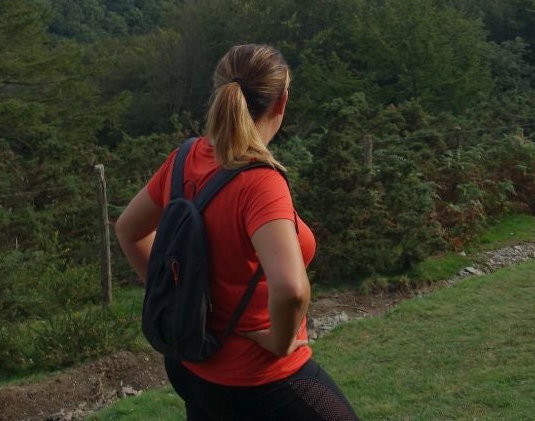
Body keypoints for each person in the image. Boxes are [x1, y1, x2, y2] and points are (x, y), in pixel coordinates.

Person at [116, 43, 359, 421]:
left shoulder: (185, 159)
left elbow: (128, 230)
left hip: (191, 366)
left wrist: (179, 302)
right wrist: (278, 343)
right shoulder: (260, 183)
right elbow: (292, 289)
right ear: (281, 103)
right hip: (257, 379)